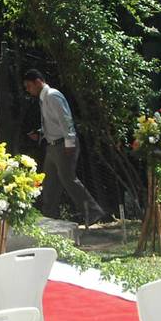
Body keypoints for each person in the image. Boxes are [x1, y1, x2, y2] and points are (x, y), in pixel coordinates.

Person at [23, 69, 106, 226]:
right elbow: (54, 123)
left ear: (38, 82)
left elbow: (65, 120)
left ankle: (93, 212)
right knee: (49, 182)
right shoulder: (44, 98)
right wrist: (41, 134)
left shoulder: (52, 96)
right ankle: (49, 217)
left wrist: (70, 143)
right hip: (53, 145)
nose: (28, 90)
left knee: (68, 179)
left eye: (28, 86)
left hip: (63, 145)